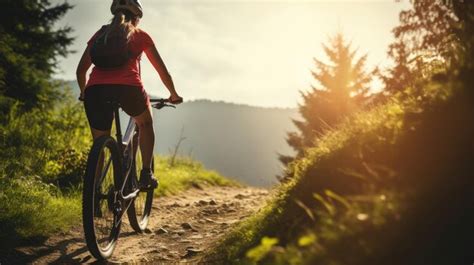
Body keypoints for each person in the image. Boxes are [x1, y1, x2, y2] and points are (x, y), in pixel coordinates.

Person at [76, 0, 182, 189]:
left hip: (95, 91)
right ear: (137, 18)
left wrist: (84, 93)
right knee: (145, 123)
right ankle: (146, 173)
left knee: (99, 143)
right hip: (129, 89)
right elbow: (163, 71)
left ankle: (93, 195)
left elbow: (80, 71)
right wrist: (173, 94)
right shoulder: (140, 35)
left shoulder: (100, 35)